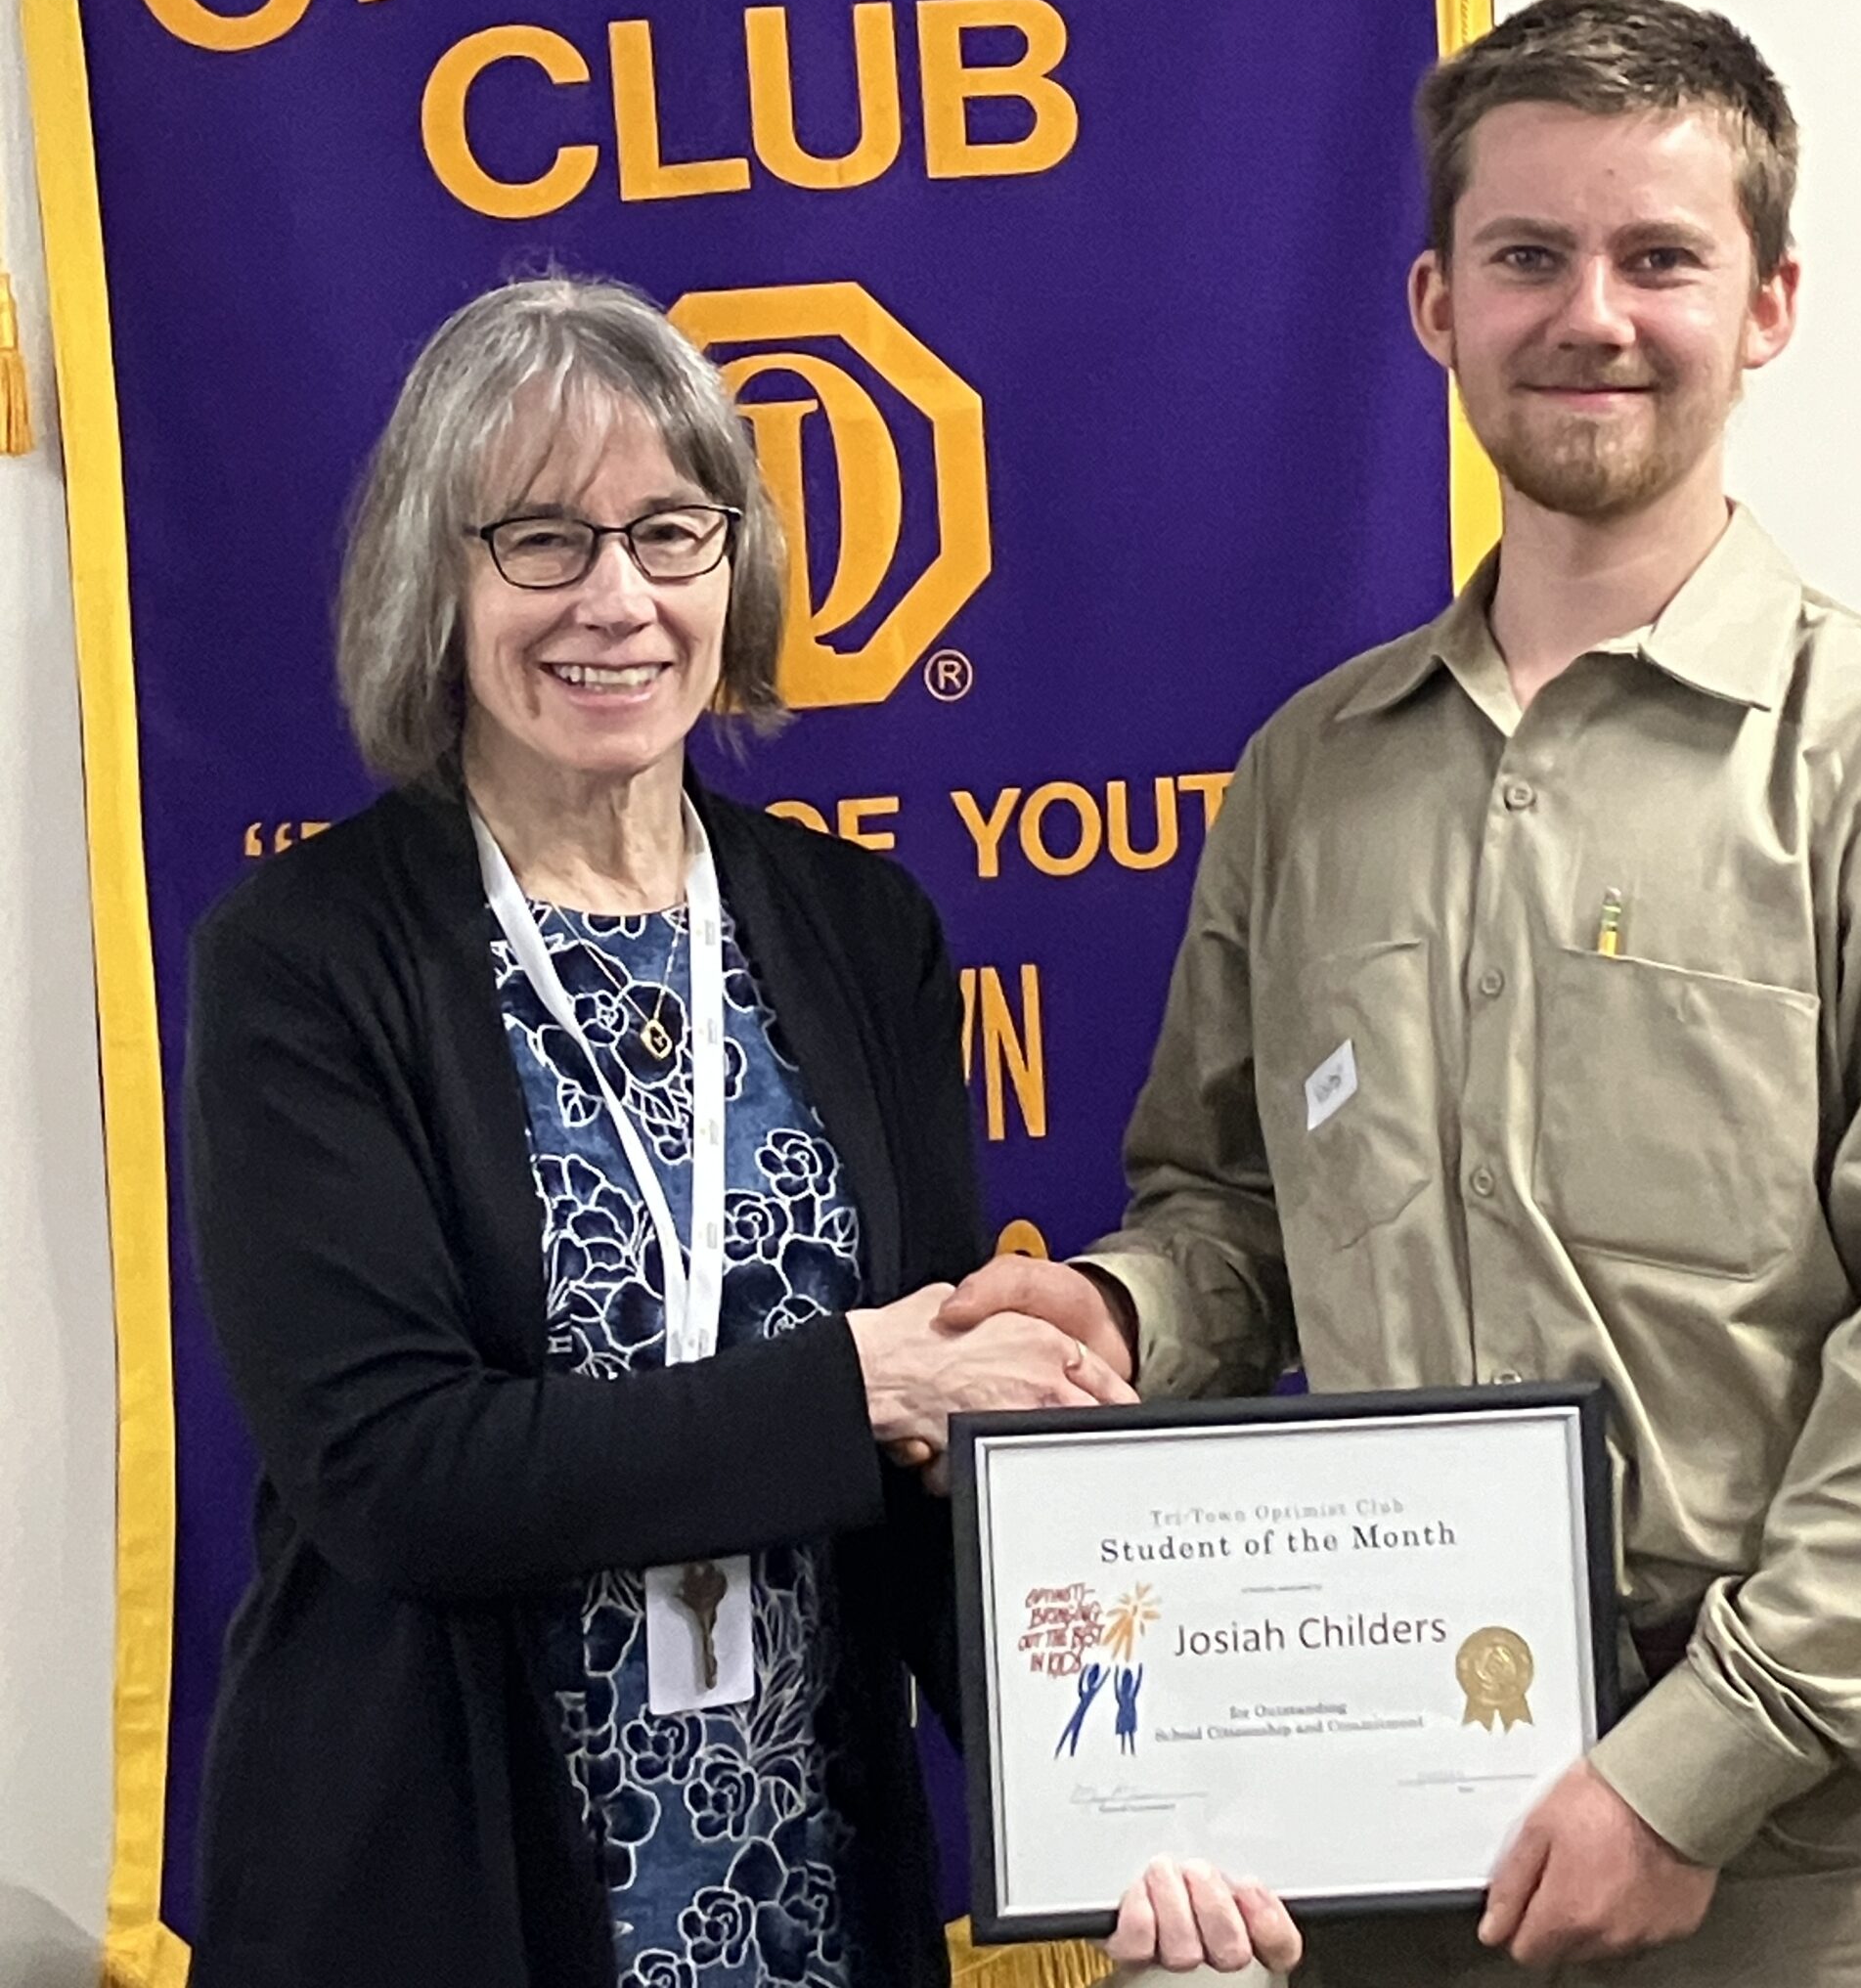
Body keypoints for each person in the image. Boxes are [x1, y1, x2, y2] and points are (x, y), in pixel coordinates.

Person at [941, 0, 1861, 1981]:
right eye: (1528, 255)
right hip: (1371, 1828)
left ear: (1773, 302)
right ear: (1436, 299)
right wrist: (1114, 1308)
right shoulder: (1313, 770)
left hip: (1785, 1857)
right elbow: (1239, 1208)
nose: (1592, 313)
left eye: (1661, 257)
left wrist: (1695, 1767)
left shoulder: (1857, 762)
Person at [185, 275, 1262, 1988]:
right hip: (441, 1895)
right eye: (540, 538)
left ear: (734, 565)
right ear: (434, 582)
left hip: (809, 1893)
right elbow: (394, 1475)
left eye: (671, 532)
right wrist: (864, 1383)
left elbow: (929, 1481)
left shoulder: (853, 929)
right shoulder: (307, 959)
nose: (616, 599)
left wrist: (1143, 1813)